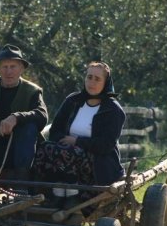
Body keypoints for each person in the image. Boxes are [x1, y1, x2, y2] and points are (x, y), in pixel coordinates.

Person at [33, 61, 126, 210]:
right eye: (89, 77)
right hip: (65, 152)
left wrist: (77, 141)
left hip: (98, 160)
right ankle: (54, 194)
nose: (92, 82)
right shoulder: (73, 101)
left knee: (69, 152)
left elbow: (106, 145)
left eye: (97, 79)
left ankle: (72, 197)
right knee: (45, 147)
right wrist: (62, 141)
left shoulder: (113, 110)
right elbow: (55, 130)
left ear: (105, 83)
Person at [0, 44, 48, 203]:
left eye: (13, 66)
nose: (8, 71)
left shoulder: (32, 91)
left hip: (21, 152)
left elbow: (42, 115)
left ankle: (21, 186)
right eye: (4, 66)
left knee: (29, 127)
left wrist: (16, 118)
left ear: (21, 69)